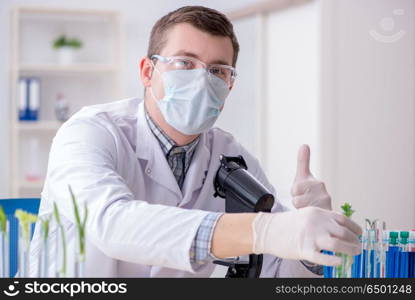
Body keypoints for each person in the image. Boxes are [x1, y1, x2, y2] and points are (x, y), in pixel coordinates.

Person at [29, 6, 362, 277]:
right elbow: (112, 224)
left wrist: (312, 241)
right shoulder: (90, 132)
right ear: (147, 72)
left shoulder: (230, 156)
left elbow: (277, 270)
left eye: (218, 70)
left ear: (230, 84)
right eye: (185, 63)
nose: (202, 79)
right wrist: (264, 230)